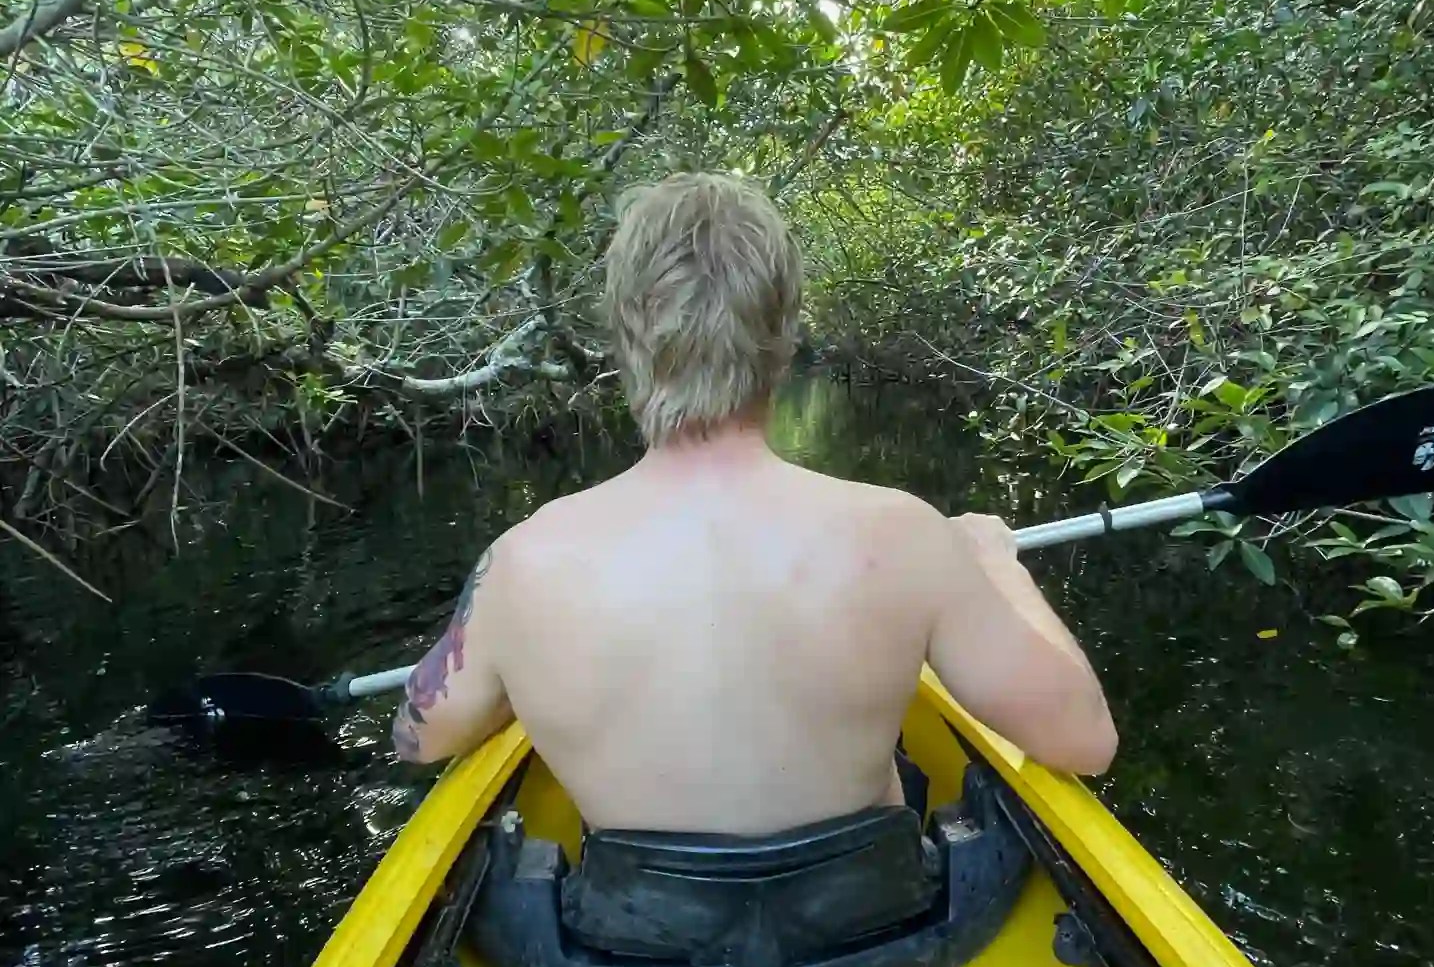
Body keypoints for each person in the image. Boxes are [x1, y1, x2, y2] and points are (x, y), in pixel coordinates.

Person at [392, 171, 1117, 830]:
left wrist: (525, 666)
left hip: (637, 948)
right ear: (784, 336)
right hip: (867, 935)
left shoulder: (521, 565)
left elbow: (421, 737)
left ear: (624, 339)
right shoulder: (904, 536)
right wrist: (997, 564)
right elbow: (1086, 741)